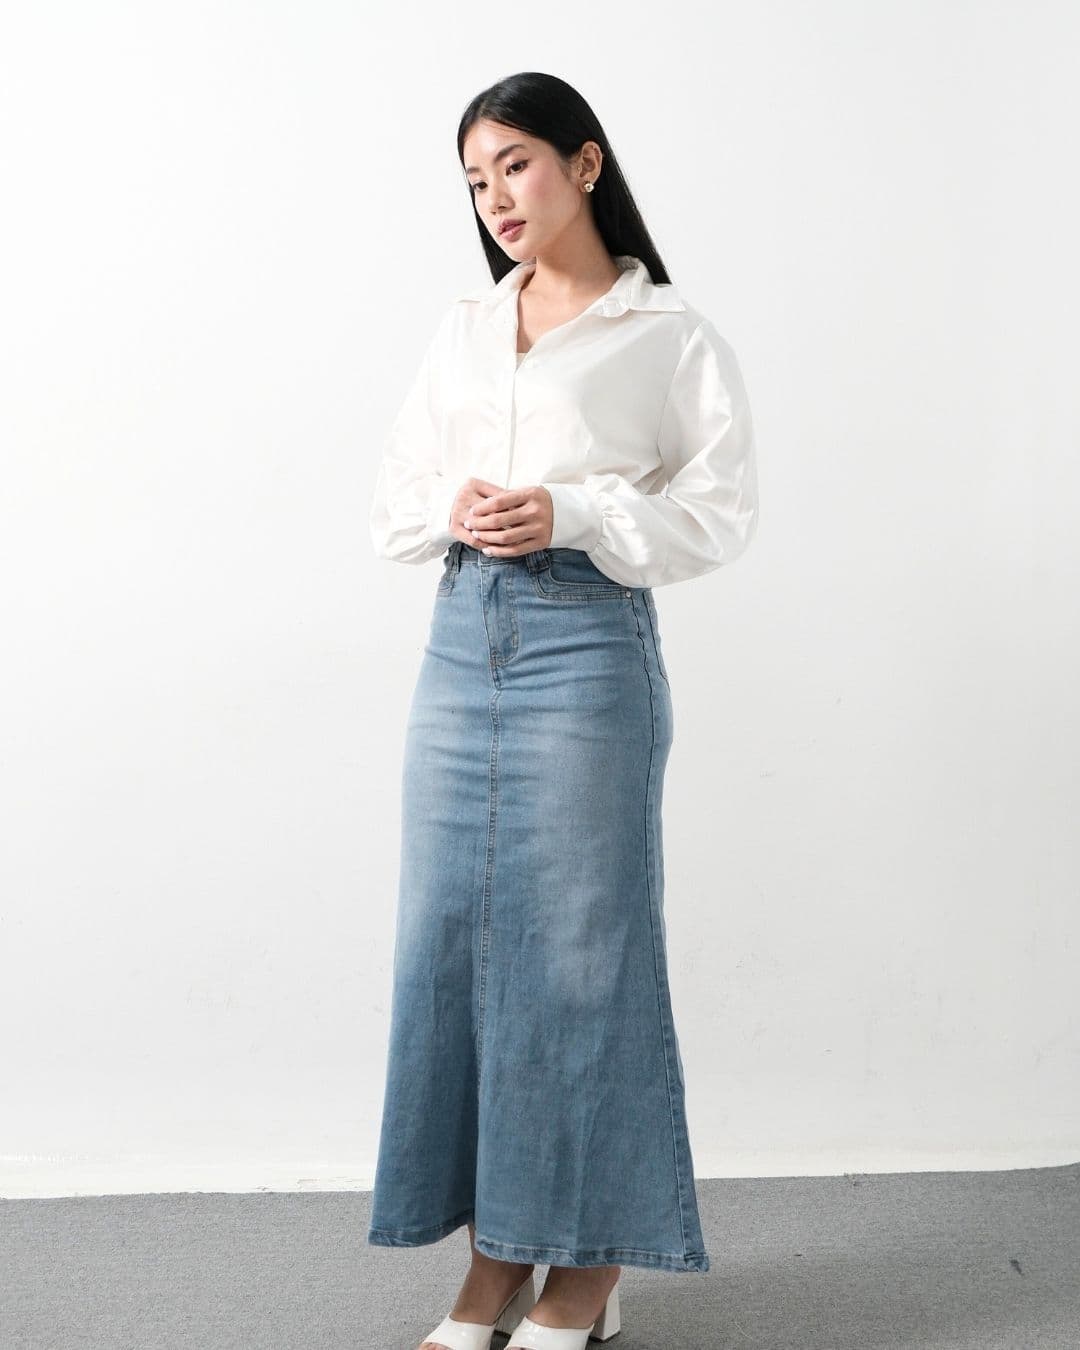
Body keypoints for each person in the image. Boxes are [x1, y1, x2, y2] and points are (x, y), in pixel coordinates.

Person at [367, 71, 759, 1350]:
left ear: (586, 163)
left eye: (516, 164)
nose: (495, 198)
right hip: (460, 642)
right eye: (476, 181)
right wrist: (457, 506)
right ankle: (498, 1261)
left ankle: (586, 1275)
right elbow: (396, 497)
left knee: (584, 958)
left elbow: (719, 514)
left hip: (587, 646)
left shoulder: (669, 334)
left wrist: (573, 510)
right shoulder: (466, 330)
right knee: (455, 946)